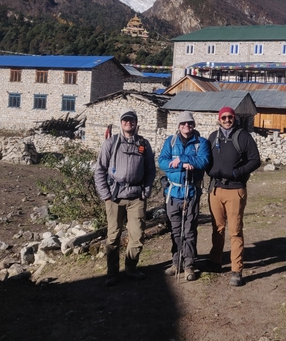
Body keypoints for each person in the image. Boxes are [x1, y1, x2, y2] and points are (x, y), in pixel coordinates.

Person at [94, 109, 156, 287]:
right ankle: (112, 273)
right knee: (113, 236)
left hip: (137, 197)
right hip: (114, 197)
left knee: (137, 236)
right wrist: (105, 195)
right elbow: (99, 170)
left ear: (136, 123)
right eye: (125, 120)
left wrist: (146, 191)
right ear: (121, 123)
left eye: (132, 120)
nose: (129, 123)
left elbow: (150, 170)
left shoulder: (143, 144)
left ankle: (131, 268)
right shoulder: (111, 144)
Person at [206, 107, 261, 287]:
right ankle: (215, 262)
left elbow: (255, 159)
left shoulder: (243, 136)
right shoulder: (213, 137)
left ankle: (236, 270)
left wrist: (238, 172)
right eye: (224, 117)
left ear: (234, 118)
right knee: (217, 228)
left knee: (235, 231)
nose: (227, 120)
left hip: (235, 189)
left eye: (230, 117)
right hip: (215, 189)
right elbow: (205, 158)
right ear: (219, 118)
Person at [158, 111, 211, 281]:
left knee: (189, 230)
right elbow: (162, 162)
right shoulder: (170, 142)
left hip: (191, 192)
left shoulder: (201, 143)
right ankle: (176, 262)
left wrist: (180, 159)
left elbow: (203, 161)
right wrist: (184, 164)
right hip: (173, 193)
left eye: (189, 123)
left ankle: (189, 265)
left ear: (193, 125)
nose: (186, 126)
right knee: (175, 230)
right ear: (178, 126)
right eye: (183, 124)